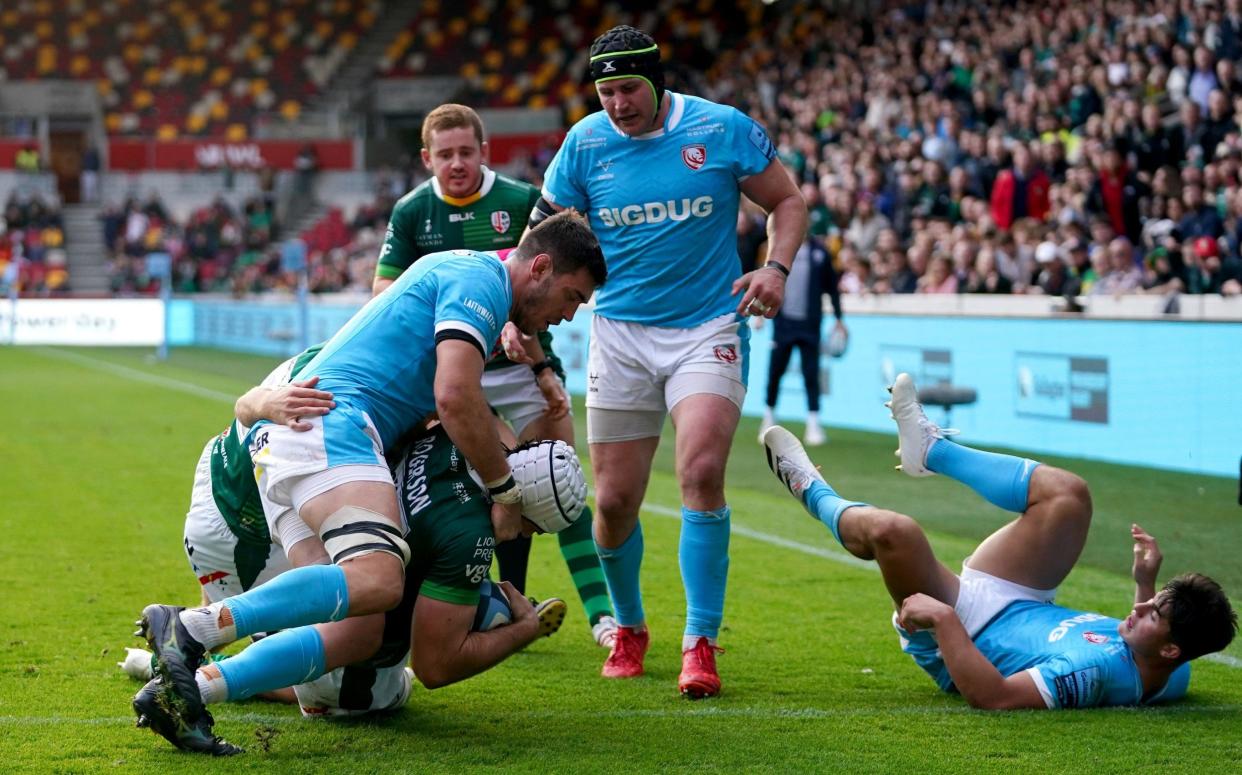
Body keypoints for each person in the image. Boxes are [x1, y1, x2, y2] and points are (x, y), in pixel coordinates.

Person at [135, 212, 607, 751]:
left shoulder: (474, 295)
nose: (569, 316)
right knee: (379, 581)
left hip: (296, 437)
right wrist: (504, 491)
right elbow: (455, 397)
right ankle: (192, 628)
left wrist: (539, 382)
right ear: (540, 267)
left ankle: (186, 691)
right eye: (571, 296)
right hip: (333, 426)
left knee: (358, 627)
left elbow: (465, 410)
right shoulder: (481, 280)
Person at [533, 25, 807, 698]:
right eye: (605, 92)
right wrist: (521, 312)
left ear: (657, 82)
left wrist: (775, 268)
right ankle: (629, 625)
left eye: (628, 88)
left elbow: (789, 201)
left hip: (707, 325)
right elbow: (540, 233)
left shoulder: (721, 129)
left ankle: (701, 641)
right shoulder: (585, 142)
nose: (618, 104)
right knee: (615, 501)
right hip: (620, 333)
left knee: (701, 469)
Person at [761, 374, 1236, 709]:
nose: (1139, 609)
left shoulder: (1090, 673)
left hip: (967, 633)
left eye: (1153, 612)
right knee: (1069, 495)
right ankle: (930, 449)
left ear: (1172, 647)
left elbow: (996, 697)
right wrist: (1144, 583)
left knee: (894, 532)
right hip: (1023, 596)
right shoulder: (1175, 667)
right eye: (1154, 603)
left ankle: (809, 487)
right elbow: (1149, 669)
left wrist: (945, 621)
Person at [135, 420, 582, 752]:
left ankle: (193, 647)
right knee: (363, 691)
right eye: (532, 527)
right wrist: (518, 631)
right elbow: (437, 666)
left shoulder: (457, 429)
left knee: (372, 611)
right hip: (263, 528)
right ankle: (197, 659)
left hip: (266, 473)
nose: (524, 536)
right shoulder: (471, 536)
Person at [372, 103, 616, 648]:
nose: (456, 163)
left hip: (519, 361)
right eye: (445, 154)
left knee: (558, 474)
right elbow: (383, 294)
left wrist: (543, 366)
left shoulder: (521, 201)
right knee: (485, 479)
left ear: (484, 151)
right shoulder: (412, 212)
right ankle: (500, 599)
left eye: (466, 151)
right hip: (454, 366)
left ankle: (602, 617)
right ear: (426, 158)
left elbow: (544, 289)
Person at [758, 230, 845, 446]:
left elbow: (832, 287)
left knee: (811, 374)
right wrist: (759, 312)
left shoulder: (820, 253)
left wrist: (839, 318)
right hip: (783, 324)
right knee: (775, 371)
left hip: (810, 326)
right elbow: (765, 281)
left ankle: (813, 423)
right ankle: (768, 417)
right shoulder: (777, 251)